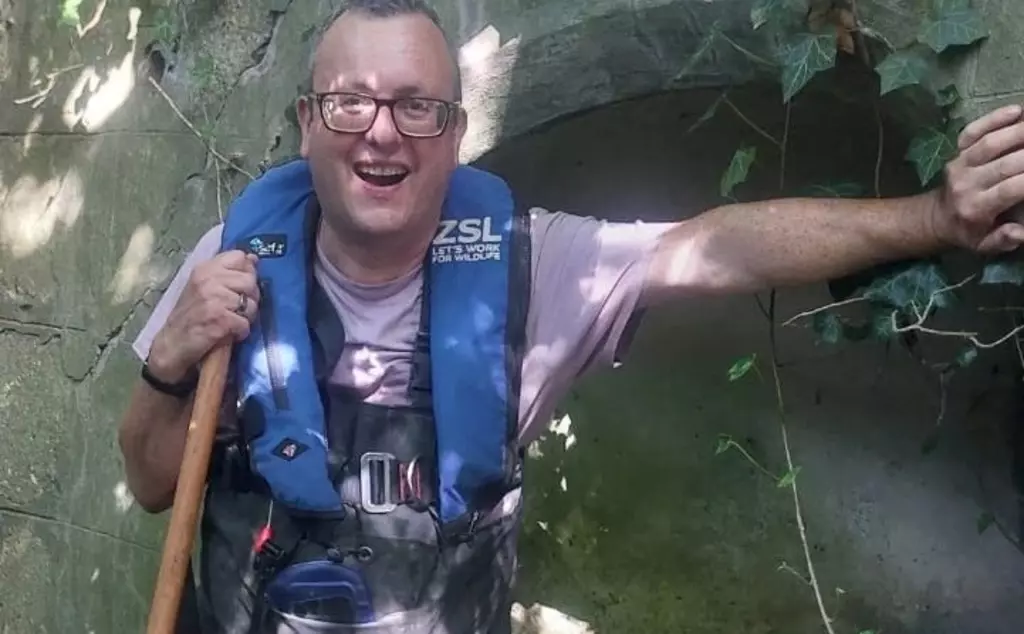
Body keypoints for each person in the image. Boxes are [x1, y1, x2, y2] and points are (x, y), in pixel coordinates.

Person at [117, 0, 1024, 632]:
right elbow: (157, 483)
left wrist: (932, 218)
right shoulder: (234, 265)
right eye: (351, 102)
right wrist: (169, 362)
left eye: (417, 106)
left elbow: (719, 248)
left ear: (456, 134)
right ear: (309, 124)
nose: (382, 131)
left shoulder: (532, 266)